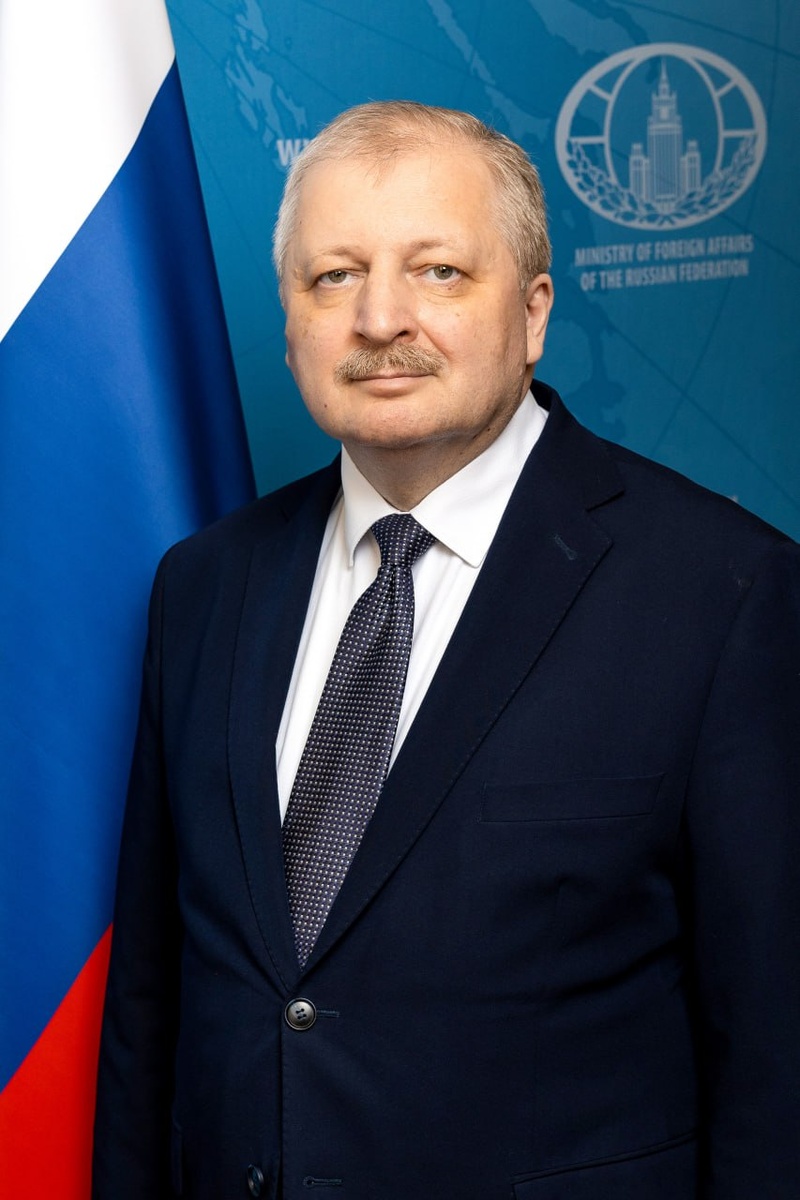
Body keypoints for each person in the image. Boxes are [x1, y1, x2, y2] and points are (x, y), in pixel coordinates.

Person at [93, 101, 800, 1200]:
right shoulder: (205, 584)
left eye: (438, 272)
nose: (379, 318)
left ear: (533, 310)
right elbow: (151, 1003)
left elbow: (776, 1052)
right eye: (333, 276)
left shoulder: (723, 591)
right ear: (290, 319)